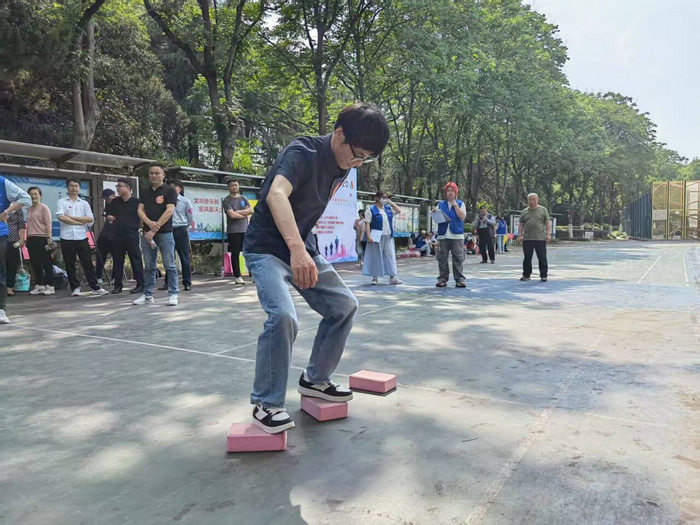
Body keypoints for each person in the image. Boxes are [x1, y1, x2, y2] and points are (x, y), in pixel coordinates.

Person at [243, 102, 389, 433]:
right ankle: (266, 403)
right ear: (339, 134)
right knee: (283, 316)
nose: (358, 163)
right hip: (267, 249)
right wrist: (296, 249)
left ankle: (315, 379)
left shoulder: (344, 165)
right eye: (358, 155)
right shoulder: (302, 152)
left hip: (304, 247)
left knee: (344, 305)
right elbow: (276, 195)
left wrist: (304, 248)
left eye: (365, 159)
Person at [134, 164, 179, 306]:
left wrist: (155, 228)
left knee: (169, 265)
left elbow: (169, 211)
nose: (153, 175)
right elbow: (140, 210)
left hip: (165, 233)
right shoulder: (145, 191)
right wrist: (149, 223)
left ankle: (173, 293)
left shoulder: (170, 190)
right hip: (147, 234)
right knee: (149, 266)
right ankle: (148, 294)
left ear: (163, 175)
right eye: (151, 173)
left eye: (157, 173)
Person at [56, 179, 108, 297]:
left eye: (76, 186)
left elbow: (90, 219)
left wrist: (72, 218)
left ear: (79, 188)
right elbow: (61, 217)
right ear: (67, 188)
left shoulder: (84, 203)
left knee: (87, 262)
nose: (74, 188)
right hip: (67, 237)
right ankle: (75, 287)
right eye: (71, 186)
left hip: (81, 236)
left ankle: (95, 286)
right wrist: (80, 221)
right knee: (70, 264)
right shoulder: (61, 202)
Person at [0, 177, 31, 323]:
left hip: (0, 233)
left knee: (0, 271)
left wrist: (6, 211)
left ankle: (1, 310)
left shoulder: (3, 182)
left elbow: (26, 198)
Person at [106, 178, 144, 294]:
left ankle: (140, 284)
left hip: (131, 234)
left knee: (135, 259)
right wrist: (110, 217)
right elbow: (110, 215)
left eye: (120, 186)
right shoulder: (114, 202)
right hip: (117, 234)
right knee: (117, 260)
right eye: (117, 186)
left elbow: (142, 217)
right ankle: (118, 285)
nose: (117, 188)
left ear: (127, 188)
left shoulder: (136, 202)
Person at [362, 190, 403, 285]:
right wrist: (368, 236)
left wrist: (391, 202)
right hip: (376, 236)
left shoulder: (388, 209)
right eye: (383, 197)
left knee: (390, 256)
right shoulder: (371, 209)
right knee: (376, 256)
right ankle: (375, 277)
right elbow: (367, 223)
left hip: (388, 236)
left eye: (386, 197)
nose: (385, 199)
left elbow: (398, 210)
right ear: (377, 198)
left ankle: (392, 277)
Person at [160, 180, 194, 291]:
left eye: (173, 188)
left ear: (179, 189)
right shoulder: (164, 200)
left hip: (180, 229)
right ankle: (168, 283)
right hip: (167, 229)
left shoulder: (185, 201)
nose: (171, 190)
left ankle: (187, 282)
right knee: (169, 257)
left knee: (184, 256)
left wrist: (185, 225)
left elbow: (190, 215)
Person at [434, 182, 467, 288]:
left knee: (458, 258)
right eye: (448, 191)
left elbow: (462, 217)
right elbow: (436, 219)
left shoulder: (460, 203)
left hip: (456, 236)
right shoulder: (440, 204)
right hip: (443, 235)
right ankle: (442, 279)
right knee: (442, 258)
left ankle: (459, 279)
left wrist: (455, 205)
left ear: (456, 192)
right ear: (445, 193)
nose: (450, 193)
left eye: (452, 191)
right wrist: (434, 212)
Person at [25, 187, 56, 296]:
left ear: (40, 195)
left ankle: (50, 286)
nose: (33, 196)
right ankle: (40, 285)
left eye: (35, 194)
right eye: (31, 194)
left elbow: (48, 224)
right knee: (35, 263)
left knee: (46, 263)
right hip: (31, 238)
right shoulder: (29, 209)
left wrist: (49, 238)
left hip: (42, 238)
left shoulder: (44, 208)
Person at [222, 179, 252, 285]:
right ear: (228, 187)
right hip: (233, 231)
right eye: (232, 185)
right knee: (235, 253)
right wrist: (244, 214)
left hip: (245, 229)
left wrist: (238, 212)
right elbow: (232, 215)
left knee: (249, 252)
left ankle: (253, 274)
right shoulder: (227, 200)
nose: (234, 187)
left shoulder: (244, 198)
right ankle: (237, 276)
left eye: (236, 185)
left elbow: (251, 210)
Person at [518, 192, 551, 282]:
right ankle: (526, 275)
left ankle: (543, 275)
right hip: (527, 238)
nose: (532, 201)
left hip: (540, 238)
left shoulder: (543, 210)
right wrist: (520, 235)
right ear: (527, 201)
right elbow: (521, 224)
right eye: (530, 200)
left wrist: (548, 234)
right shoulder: (524, 211)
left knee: (542, 257)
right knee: (527, 258)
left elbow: (547, 223)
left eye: (534, 200)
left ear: (537, 200)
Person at [95, 188, 117, 285]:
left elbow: (124, 217)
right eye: (105, 199)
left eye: (108, 198)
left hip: (116, 233)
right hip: (106, 232)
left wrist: (114, 218)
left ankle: (115, 277)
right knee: (100, 254)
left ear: (113, 195)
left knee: (117, 256)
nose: (107, 200)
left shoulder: (119, 203)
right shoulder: (107, 204)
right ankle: (98, 276)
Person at [5, 209, 26, 297]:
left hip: (13, 240)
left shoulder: (17, 207)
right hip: (1, 238)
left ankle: (9, 287)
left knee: (12, 265)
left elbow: (21, 224)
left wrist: (22, 239)